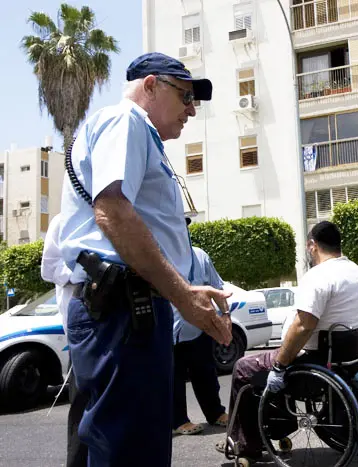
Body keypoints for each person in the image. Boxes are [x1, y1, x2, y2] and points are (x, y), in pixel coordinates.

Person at [58, 52, 233, 466]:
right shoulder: (128, 120)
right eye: (185, 95)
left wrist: (183, 290)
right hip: (124, 310)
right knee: (132, 451)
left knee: (115, 446)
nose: (192, 109)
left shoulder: (138, 132)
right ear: (150, 86)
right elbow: (113, 210)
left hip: (126, 308)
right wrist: (184, 297)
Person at [215, 220, 358, 459]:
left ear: (312, 245)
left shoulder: (319, 276)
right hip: (344, 356)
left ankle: (245, 445)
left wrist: (279, 366)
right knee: (272, 364)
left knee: (245, 368)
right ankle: (277, 430)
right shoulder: (354, 271)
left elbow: (304, 326)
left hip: (312, 359)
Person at [40, 214, 87, 467]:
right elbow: (49, 268)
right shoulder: (61, 220)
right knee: (82, 407)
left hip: (110, 326)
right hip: (82, 331)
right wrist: (88, 274)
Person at [172, 244, 229, 436]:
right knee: (174, 378)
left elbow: (217, 287)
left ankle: (216, 413)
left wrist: (226, 315)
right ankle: (179, 420)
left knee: (206, 373)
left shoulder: (200, 256)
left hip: (200, 328)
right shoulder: (161, 254)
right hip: (170, 332)